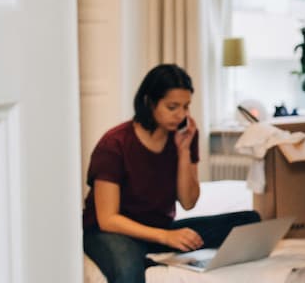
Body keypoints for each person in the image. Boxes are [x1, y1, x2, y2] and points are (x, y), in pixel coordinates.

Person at [82, 64, 260, 283]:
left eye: (186, 107)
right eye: (172, 107)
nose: (181, 115)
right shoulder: (114, 144)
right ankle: (143, 254)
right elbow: (108, 219)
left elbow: (188, 202)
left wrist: (184, 150)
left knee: (250, 221)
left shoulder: (184, 135)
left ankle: (150, 251)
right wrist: (166, 236)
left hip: (159, 228)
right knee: (128, 271)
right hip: (111, 232)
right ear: (149, 102)